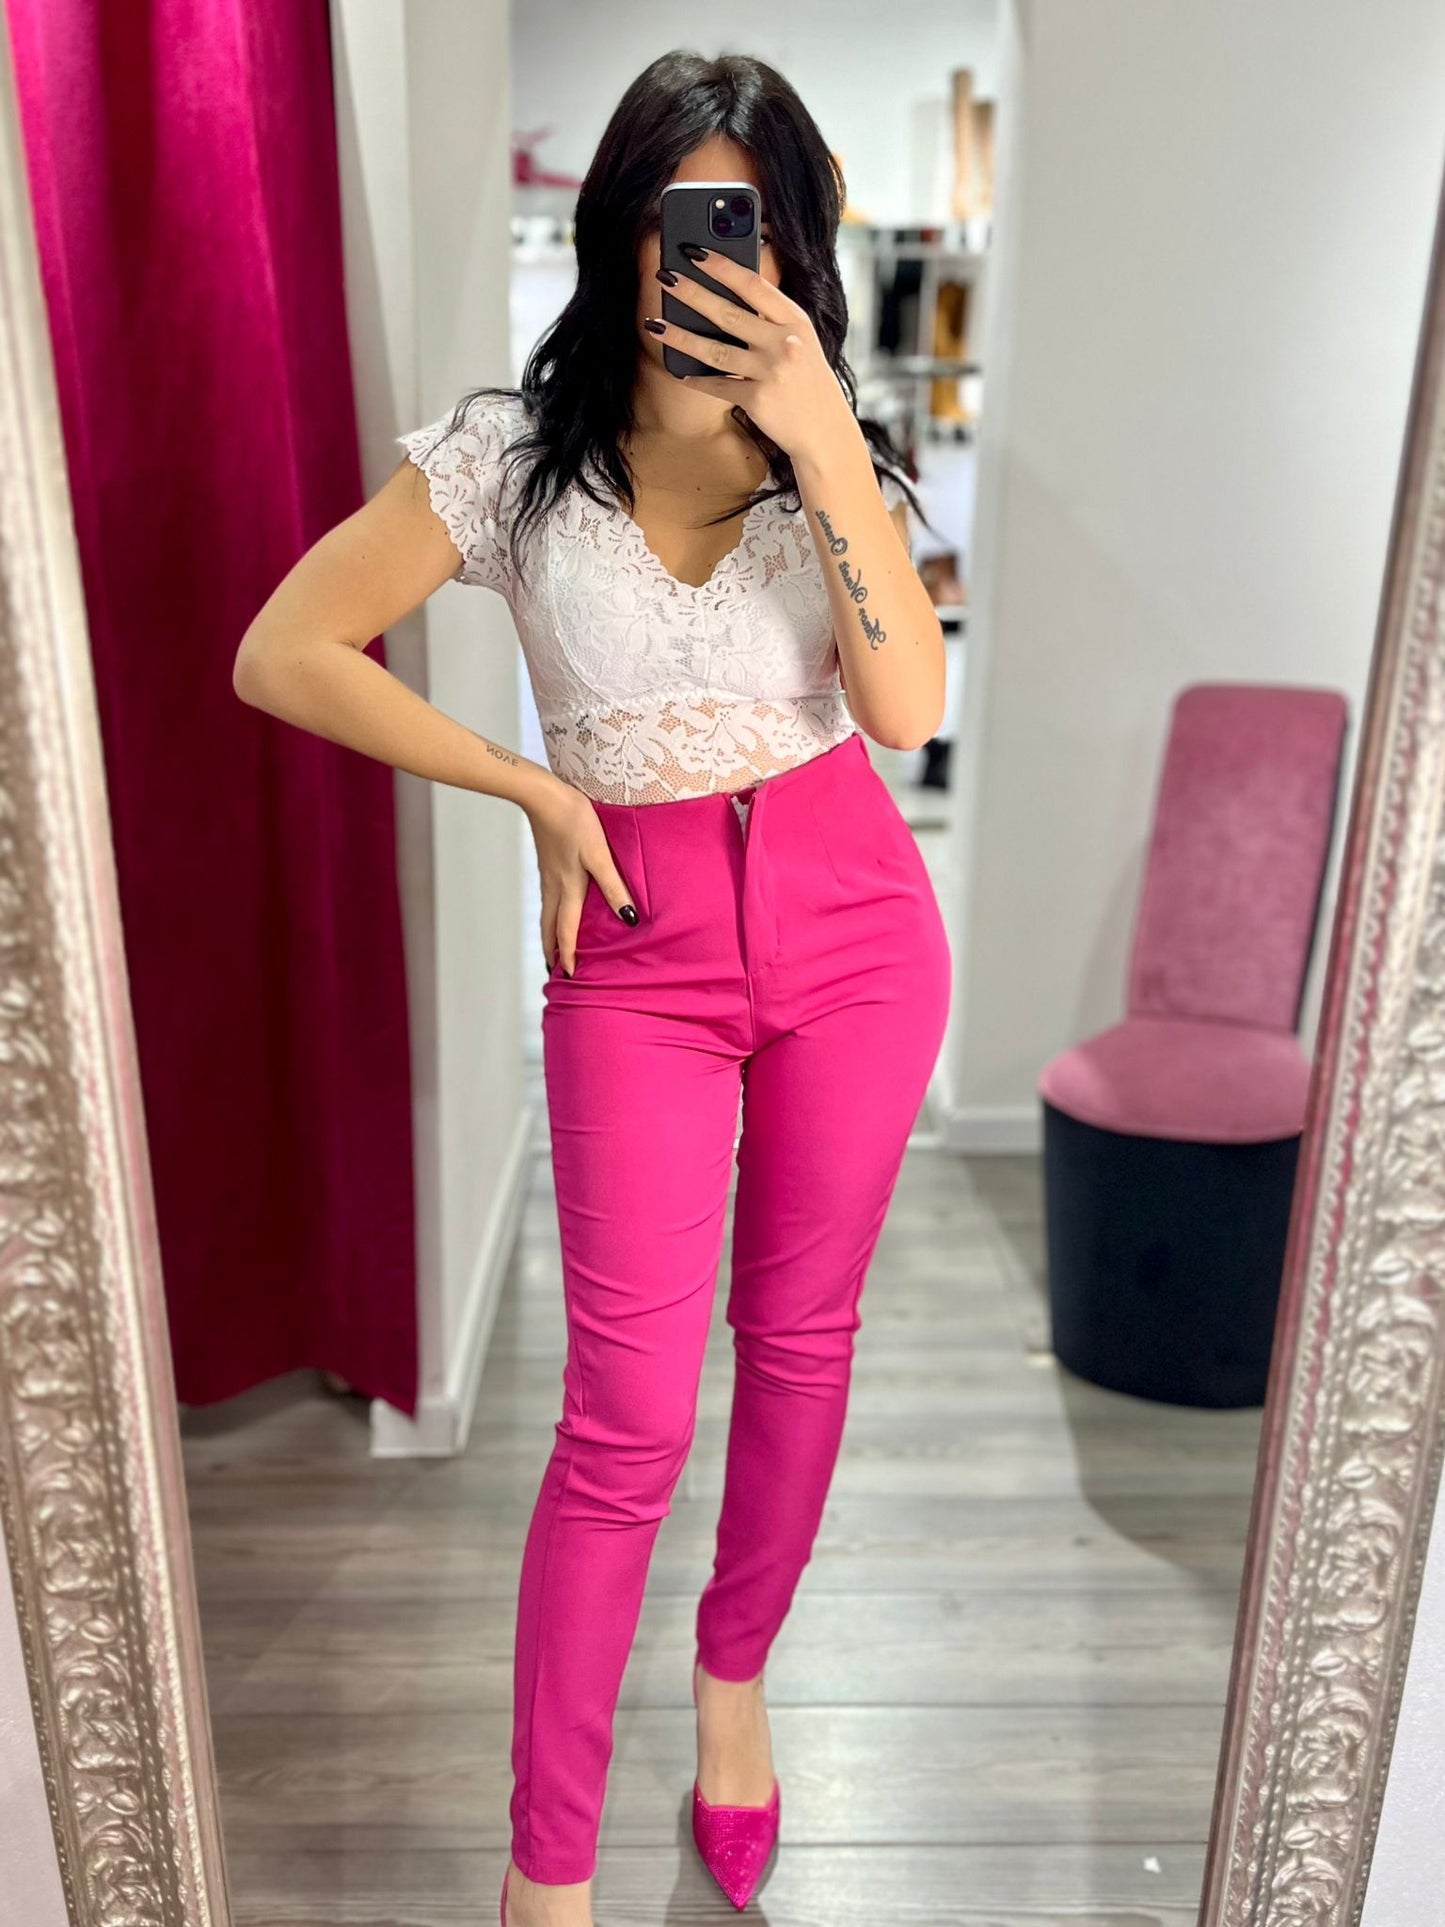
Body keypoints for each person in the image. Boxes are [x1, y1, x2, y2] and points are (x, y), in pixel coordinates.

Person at [234, 48, 951, 1927]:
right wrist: (532, 788)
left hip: (858, 935)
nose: (709, 263)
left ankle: (735, 1683)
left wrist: (820, 437)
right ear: (620, 228)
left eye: (752, 229)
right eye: (679, 221)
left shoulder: (830, 463)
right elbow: (284, 648)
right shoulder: (507, 457)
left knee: (797, 1344)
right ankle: (544, 1868)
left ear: (796, 252)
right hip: (632, 957)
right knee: (622, 1419)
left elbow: (903, 710)